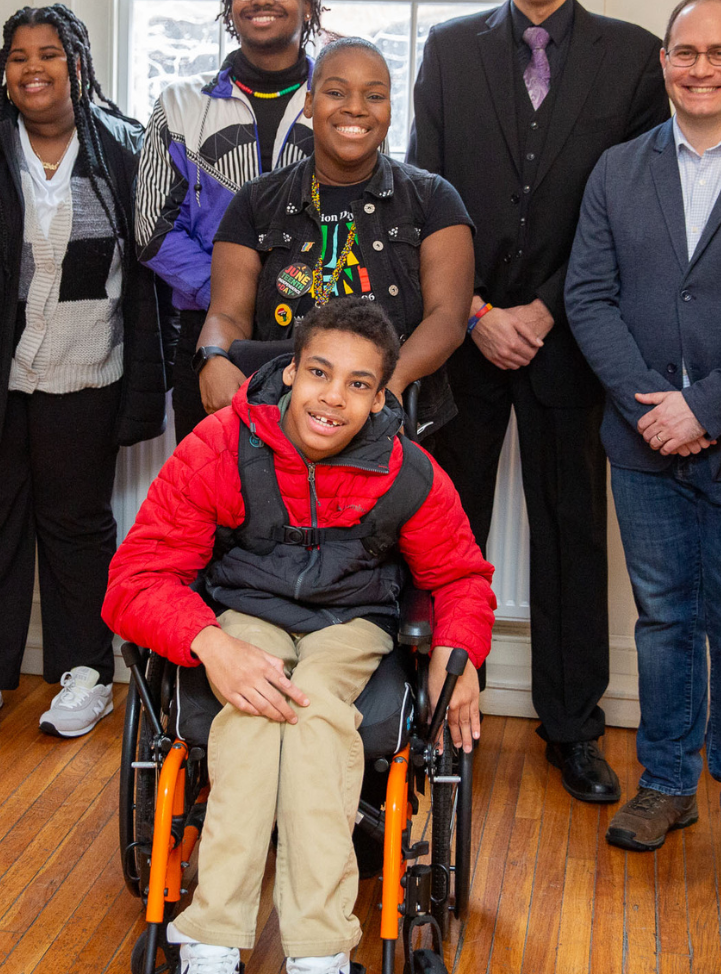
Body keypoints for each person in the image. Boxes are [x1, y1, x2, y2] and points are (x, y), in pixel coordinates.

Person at [103, 301, 495, 974]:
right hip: (244, 613)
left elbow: (461, 576)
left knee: (312, 715)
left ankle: (317, 950)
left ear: (379, 400)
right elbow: (135, 578)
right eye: (319, 373)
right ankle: (212, 940)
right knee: (256, 715)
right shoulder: (224, 445)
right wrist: (213, 645)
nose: (332, 398)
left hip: (351, 625)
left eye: (358, 384)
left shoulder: (408, 473)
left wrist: (458, 659)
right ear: (289, 373)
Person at [408, 0, 669, 803]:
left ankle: (573, 728)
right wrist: (475, 308)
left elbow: (632, 207)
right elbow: (423, 194)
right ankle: (443, 712)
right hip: (463, 335)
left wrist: (548, 312)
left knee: (569, 536)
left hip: (570, 336)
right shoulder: (449, 51)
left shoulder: (633, 56)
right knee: (449, 535)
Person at [564, 0, 721, 889]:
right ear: (663, 61)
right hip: (641, 442)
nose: (701, 68)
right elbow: (588, 296)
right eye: (684, 52)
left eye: (720, 53)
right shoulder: (619, 169)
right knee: (664, 620)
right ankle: (666, 782)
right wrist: (650, 405)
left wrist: (708, 406)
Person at [0, 4, 168, 739]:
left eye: (51, 53)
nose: (33, 68)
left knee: (77, 528)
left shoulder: (125, 149)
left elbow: (152, 275)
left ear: (78, 65)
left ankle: (85, 674)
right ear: (4, 69)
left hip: (87, 374)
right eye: (19, 56)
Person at [197, 37, 473, 439]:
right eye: (336, 92)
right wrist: (212, 357)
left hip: (400, 427)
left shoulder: (433, 199)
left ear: (391, 110)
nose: (355, 107)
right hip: (281, 422)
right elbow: (226, 314)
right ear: (310, 104)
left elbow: (448, 318)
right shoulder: (257, 201)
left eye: (374, 95)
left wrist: (384, 388)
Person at [135, 0, 324, 444]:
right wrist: (232, 298)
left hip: (317, 336)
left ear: (308, 3)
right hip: (206, 336)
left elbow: (362, 213)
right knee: (212, 497)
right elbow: (152, 230)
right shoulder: (179, 105)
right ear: (229, 4)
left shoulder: (340, 101)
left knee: (306, 499)